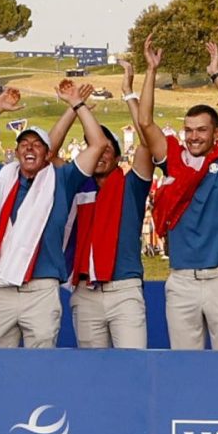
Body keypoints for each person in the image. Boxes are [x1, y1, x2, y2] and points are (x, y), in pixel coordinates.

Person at [0, 83, 101, 347]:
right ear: (17, 151)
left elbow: (97, 144)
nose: (30, 148)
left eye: (37, 144)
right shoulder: (2, 176)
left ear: (48, 154)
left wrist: (76, 105)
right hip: (2, 287)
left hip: (41, 289)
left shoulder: (62, 179)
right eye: (24, 144)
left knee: (41, 368)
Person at [136, 39, 218, 350]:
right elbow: (145, 123)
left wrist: (216, 74)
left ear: (216, 134)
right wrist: (150, 70)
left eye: (202, 130)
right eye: (189, 130)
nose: (194, 136)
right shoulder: (174, 159)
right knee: (183, 366)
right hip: (182, 280)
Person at [64, 85, 153, 349]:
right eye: (93, 147)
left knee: (133, 367)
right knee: (93, 374)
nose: (100, 154)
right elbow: (49, 154)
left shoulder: (132, 185)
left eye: (105, 149)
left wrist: (128, 94)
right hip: (85, 290)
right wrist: (74, 107)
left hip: (124, 289)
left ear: (116, 154)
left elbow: (148, 141)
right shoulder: (76, 185)